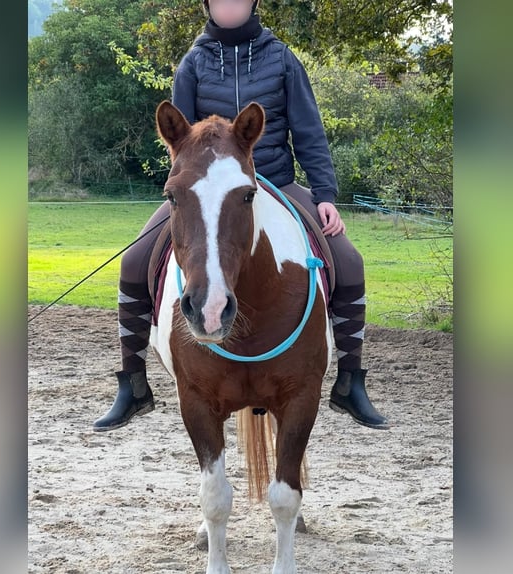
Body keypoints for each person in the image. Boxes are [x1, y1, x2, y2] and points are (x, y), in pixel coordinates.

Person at [93, 0, 388, 431]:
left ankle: (350, 381)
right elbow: (180, 140)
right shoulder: (192, 62)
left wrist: (324, 193)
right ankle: (133, 383)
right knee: (134, 262)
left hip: (276, 180)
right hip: (207, 187)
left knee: (349, 261)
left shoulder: (282, 58)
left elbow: (308, 129)